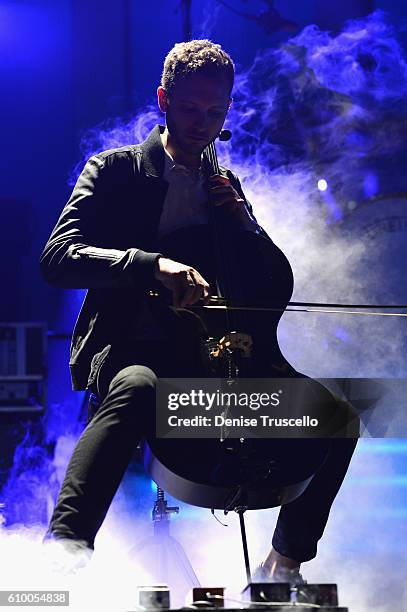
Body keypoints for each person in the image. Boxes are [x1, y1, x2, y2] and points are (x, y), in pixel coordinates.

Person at [40, 39, 358, 582]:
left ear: (228, 110)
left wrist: (246, 226)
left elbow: (271, 285)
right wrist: (151, 266)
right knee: (140, 387)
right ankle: (62, 555)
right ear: (164, 100)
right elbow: (58, 257)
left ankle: (284, 563)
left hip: (216, 360)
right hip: (133, 348)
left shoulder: (225, 188)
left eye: (215, 113)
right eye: (189, 109)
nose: (202, 124)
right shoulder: (114, 171)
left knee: (336, 416)